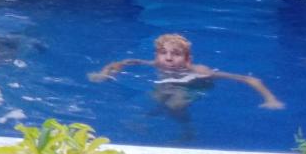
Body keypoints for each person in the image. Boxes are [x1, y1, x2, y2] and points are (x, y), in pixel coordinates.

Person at [88, 33, 283, 110]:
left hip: (194, 86)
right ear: (157, 56)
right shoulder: (156, 64)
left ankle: (186, 132)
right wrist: (104, 73)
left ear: (187, 59)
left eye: (176, 54)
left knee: (175, 104)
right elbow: (124, 62)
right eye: (163, 53)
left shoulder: (200, 71)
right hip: (168, 85)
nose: (169, 58)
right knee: (157, 98)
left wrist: (270, 99)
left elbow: (249, 79)